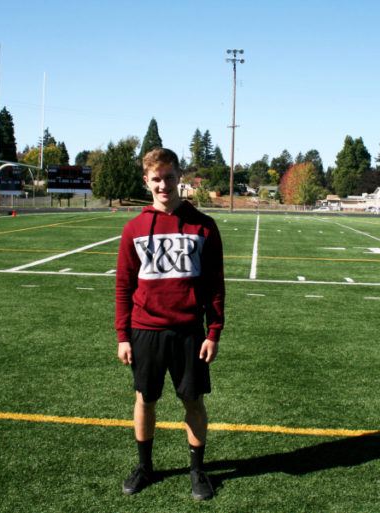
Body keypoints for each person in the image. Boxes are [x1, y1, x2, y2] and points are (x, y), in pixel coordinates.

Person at [115, 147, 225, 501]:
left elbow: (215, 286)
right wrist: (123, 335)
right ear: (147, 181)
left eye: (169, 177)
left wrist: (213, 332)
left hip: (189, 331)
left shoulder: (204, 226)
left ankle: (197, 470)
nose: (164, 185)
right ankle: (145, 466)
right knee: (145, 399)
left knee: (193, 401)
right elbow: (123, 285)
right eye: (156, 179)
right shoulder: (133, 228)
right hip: (145, 330)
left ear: (181, 178)